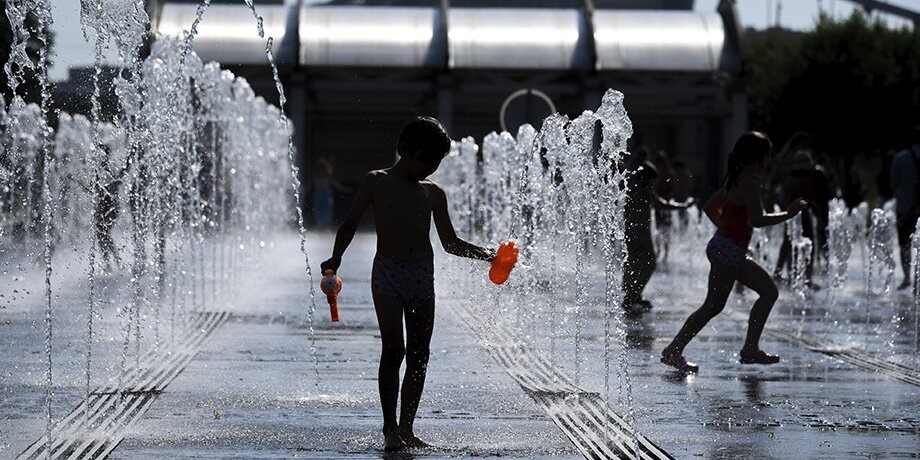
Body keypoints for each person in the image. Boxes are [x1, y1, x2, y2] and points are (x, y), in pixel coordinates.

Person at [320, 117, 494, 451]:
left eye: (437, 163)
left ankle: (407, 428)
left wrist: (486, 254)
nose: (431, 169)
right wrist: (335, 258)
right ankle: (389, 429)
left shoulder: (433, 194)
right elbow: (351, 223)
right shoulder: (376, 182)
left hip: (420, 277)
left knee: (419, 354)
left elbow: (450, 243)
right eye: (426, 160)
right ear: (403, 150)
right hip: (387, 274)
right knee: (394, 349)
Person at [660, 131, 807, 373]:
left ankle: (748, 349)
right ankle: (677, 350)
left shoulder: (736, 178)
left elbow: (709, 208)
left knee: (759, 294)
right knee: (720, 304)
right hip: (727, 250)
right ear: (759, 158)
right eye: (767, 156)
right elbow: (758, 220)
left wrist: (728, 234)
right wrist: (789, 214)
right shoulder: (748, 181)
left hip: (726, 247)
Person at [623, 160, 692, 313]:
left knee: (634, 263)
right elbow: (662, 204)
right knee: (649, 262)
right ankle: (633, 294)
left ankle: (631, 294)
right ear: (647, 179)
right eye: (653, 180)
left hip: (631, 231)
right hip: (640, 233)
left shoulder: (632, 189)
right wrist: (683, 206)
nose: (655, 184)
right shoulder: (644, 192)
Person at [890, 125, 920, 290]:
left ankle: (907, 277)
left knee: (905, 244)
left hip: (904, 207)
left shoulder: (901, 157)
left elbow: (894, 183)